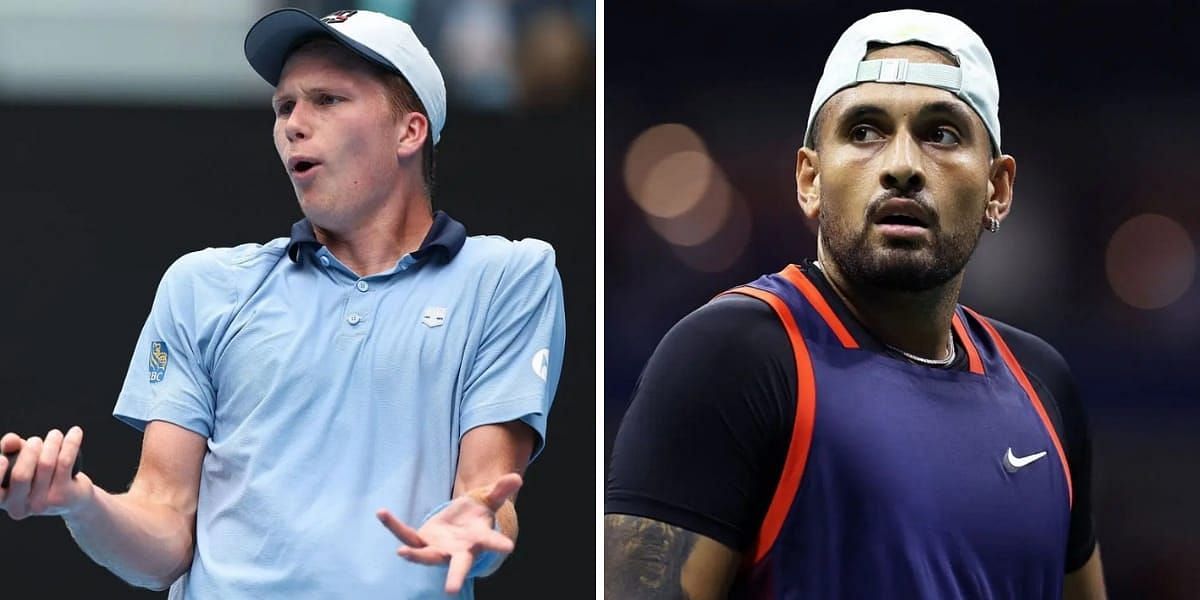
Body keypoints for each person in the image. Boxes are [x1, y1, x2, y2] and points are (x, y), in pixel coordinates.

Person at [0, 8, 565, 598]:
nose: (295, 123)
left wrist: (476, 520)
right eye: (284, 106)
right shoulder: (201, 285)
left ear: (409, 132)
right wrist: (80, 503)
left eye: (327, 100)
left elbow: (485, 488)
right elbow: (163, 536)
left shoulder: (510, 276)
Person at [606, 9, 1104, 599]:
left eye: (941, 133)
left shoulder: (1043, 384)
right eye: (864, 130)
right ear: (809, 180)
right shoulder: (733, 358)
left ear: (998, 188)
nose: (900, 166)